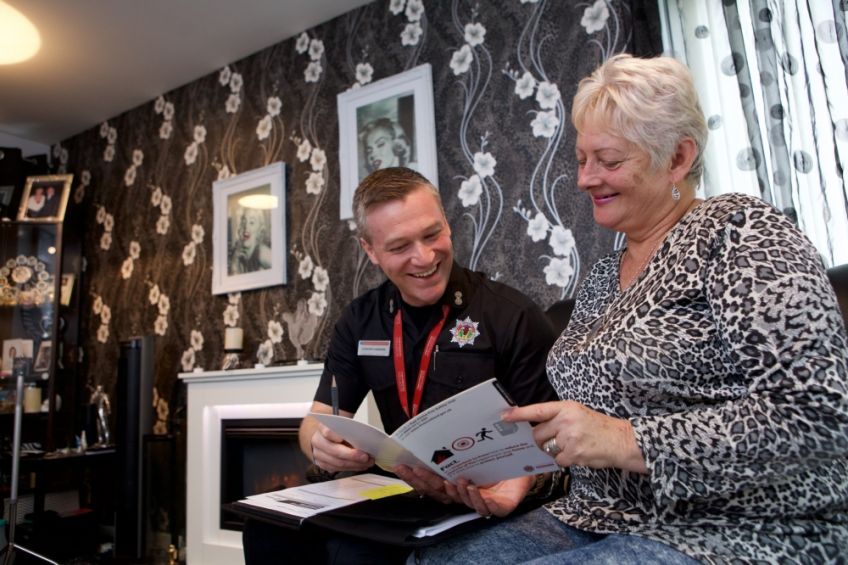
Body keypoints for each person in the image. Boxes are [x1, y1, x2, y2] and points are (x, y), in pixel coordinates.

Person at [415, 54, 848, 563]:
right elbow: (586, 436)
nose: (585, 179)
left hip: (732, 527)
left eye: (610, 161)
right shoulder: (603, 275)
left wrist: (626, 439)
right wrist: (522, 479)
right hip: (596, 515)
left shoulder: (741, 234)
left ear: (678, 158)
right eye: (581, 160)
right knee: (436, 559)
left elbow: (819, 414)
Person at [242, 166, 558, 564]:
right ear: (370, 250)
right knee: (268, 528)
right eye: (399, 246)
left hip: (485, 496)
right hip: (402, 489)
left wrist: (521, 481)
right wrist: (320, 445)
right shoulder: (360, 320)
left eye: (432, 234)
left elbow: (555, 446)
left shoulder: (512, 315)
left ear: (447, 224)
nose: (424, 258)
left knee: (355, 554)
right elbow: (317, 420)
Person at [228, 206, 272, 274]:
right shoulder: (238, 253)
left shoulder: (262, 252)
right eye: (243, 222)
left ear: (259, 230)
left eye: (252, 222)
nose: (246, 226)